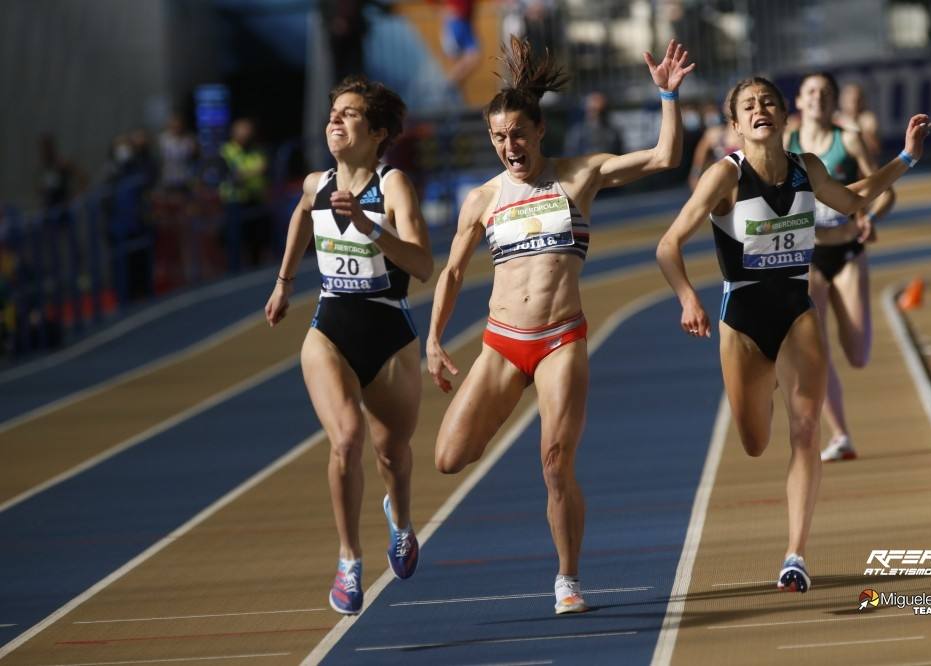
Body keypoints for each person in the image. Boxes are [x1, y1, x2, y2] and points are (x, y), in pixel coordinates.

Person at [427, 36, 695, 614]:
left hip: (559, 339)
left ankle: (567, 579)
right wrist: (433, 340)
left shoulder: (579, 176)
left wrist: (668, 96)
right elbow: (450, 273)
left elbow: (664, 158)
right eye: (498, 137)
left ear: (539, 131)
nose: (508, 147)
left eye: (517, 135)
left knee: (555, 463)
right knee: (449, 457)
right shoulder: (482, 199)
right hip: (502, 342)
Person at [655, 76, 930, 593]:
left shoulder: (809, 169)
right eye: (749, 106)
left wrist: (906, 158)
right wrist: (688, 298)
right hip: (743, 325)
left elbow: (854, 199)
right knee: (756, 443)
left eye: (769, 103)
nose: (761, 110)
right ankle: (767, 383)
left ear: (785, 119)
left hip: (797, 313)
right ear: (735, 125)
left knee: (806, 432)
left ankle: (795, 554)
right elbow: (668, 245)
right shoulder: (724, 176)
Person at [264, 76, 434, 615]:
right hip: (330, 327)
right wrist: (285, 283)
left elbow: (424, 266)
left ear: (378, 131)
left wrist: (367, 224)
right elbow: (300, 219)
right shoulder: (316, 184)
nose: (335, 120)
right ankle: (348, 560)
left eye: (351, 113)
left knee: (393, 455)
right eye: (333, 112)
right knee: (347, 440)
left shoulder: (395, 185)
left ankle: (402, 522)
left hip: (388, 333)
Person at [786, 72, 894, 463]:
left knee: (858, 355)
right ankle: (841, 434)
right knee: (815, 350)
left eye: (825, 93)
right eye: (811, 91)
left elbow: (885, 190)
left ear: (833, 103)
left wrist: (870, 216)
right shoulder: (787, 143)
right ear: (799, 100)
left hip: (847, 252)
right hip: (807, 257)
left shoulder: (847, 140)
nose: (818, 97)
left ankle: (842, 429)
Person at [220, 118, 270, 271]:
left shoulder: (256, 149)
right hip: (235, 200)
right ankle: (234, 271)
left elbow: (263, 166)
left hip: (255, 198)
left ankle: (257, 268)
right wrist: (252, 171)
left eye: (249, 130)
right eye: (243, 130)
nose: (247, 134)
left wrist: (247, 172)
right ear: (234, 133)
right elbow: (235, 174)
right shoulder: (226, 151)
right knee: (235, 239)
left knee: (256, 238)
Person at [688, 95, 742, 190]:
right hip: (720, 189)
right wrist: (695, 178)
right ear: (724, 107)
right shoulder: (713, 134)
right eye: (729, 101)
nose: (731, 105)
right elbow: (698, 163)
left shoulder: (752, 137)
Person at [563, 92, 624, 157]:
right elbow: (570, 153)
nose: (596, 114)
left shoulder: (613, 132)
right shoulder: (577, 132)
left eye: (601, 111)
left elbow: (619, 154)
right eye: (593, 110)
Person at [836, 82, 881, 159]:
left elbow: (875, 149)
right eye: (850, 99)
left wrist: (856, 127)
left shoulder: (868, 119)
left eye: (857, 99)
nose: (854, 103)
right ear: (842, 101)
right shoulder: (835, 119)